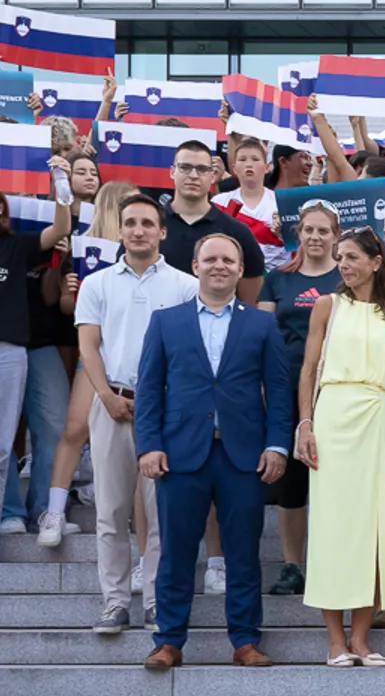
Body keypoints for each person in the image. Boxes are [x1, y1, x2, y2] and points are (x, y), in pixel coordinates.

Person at [133, 233, 293, 669]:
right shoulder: (167, 322)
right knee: (176, 552)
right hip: (180, 455)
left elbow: (279, 391)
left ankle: (245, 641)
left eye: (229, 260)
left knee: (243, 553)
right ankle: (168, 641)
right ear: (196, 266)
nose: (219, 265)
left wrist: (278, 444)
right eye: (211, 259)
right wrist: (148, 445)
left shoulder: (261, 325)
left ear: (241, 270)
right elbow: (148, 390)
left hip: (243, 456)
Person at [293, 227, 385, 666]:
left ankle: (361, 639)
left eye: (351, 257)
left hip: (381, 417)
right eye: (339, 257)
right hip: (334, 415)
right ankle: (334, 641)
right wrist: (305, 423)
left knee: (377, 526)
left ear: (375, 262)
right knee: (333, 527)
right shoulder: (327, 306)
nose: (342, 264)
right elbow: (308, 369)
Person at [79, 193, 192, 633]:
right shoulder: (98, 284)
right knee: (110, 510)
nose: (138, 230)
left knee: (160, 511)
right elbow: (89, 345)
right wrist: (105, 396)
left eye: (148, 223)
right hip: (111, 402)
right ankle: (115, 602)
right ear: (119, 229)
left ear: (162, 231)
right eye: (130, 223)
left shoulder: (183, 285)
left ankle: (157, 601)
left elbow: (187, 350)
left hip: (163, 409)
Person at [38, 178, 136, 549]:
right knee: (75, 428)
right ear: (113, 205)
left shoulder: (148, 251)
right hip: (94, 353)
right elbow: (68, 309)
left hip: (135, 361)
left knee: (133, 441)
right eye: (127, 205)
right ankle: (55, 513)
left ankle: (128, 519)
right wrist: (69, 293)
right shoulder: (82, 248)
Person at [257, 201, 342, 601]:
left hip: (340, 392)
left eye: (323, 230)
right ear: (298, 233)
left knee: (332, 480)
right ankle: (293, 565)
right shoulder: (278, 279)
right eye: (308, 229)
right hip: (286, 388)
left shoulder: (349, 277)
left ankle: (330, 562)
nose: (315, 237)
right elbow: (261, 334)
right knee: (291, 482)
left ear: (335, 236)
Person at [0, 164, 73, 537]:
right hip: (10, 344)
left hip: (38, 342)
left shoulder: (17, 242)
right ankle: (8, 510)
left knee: (56, 426)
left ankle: (45, 509)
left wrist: (60, 182)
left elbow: (61, 228)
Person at [159, 140, 267, 305]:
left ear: (212, 176)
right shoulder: (150, 228)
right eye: (185, 168)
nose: (194, 175)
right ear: (172, 172)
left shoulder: (237, 232)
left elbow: (250, 304)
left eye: (202, 169)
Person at [213, 136, 289, 270]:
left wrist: (283, 233)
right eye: (242, 159)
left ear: (266, 167)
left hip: (276, 276)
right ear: (234, 168)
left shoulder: (282, 202)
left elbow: (296, 246)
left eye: (255, 159)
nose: (249, 164)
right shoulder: (219, 202)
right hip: (232, 273)